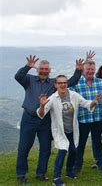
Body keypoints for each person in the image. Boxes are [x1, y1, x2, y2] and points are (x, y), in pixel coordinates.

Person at [14, 55, 83, 184]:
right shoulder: (29, 79)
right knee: (24, 147)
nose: (44, 71)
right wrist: (27, 66)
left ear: (50, 70)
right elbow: (18, 77)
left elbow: (71, 82)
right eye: (42, 68)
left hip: (45, 121)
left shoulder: (53, 83)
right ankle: (21, 174)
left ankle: (41, 173)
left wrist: (78, 70)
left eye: (46, 69)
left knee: (45, 148)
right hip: (28, 119)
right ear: (37, 69)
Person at [37, 75, 100, 186]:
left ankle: (69, 171)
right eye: (60, 83)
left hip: (72, 129)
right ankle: (56, 178)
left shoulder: (73, 95)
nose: (63, 85)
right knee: (62, 151)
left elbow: (85, 103)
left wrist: (94, 101)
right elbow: (41, 114)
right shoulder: (52, 98)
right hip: (60, 131)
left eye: (65, 82)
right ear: (55, 85)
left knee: (73, 151)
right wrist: (42, 106)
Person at [72, 60, 102, 174]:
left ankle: (100, 164)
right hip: (83, 119)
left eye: (92, 69)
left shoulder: (101, 82)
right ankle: (77, 166)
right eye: (88, 69)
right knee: (81, 143)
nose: (90, 71)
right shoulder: (77, 83)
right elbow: (71, 97)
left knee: (97, 142)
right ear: (83, 70)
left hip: (98, 118)